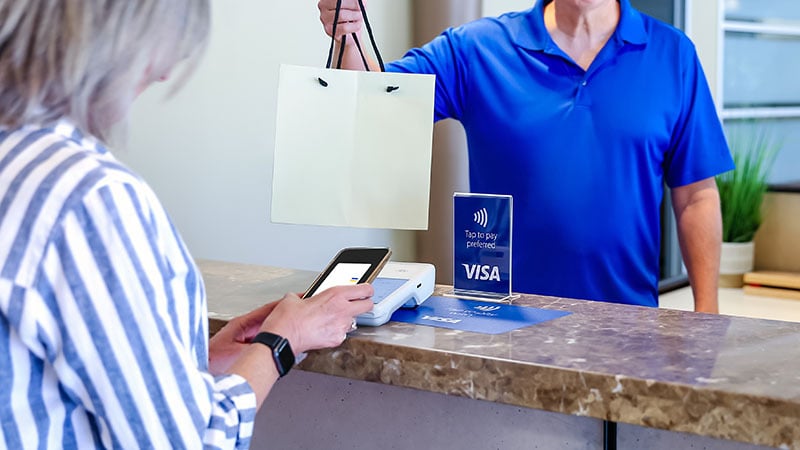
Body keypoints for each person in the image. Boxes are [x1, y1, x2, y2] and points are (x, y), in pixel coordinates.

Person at [0, 1, 374, 448]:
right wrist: (282, 341)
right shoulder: (90, 198)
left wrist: (197, 362)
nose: (161, 76)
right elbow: (190, 441)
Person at [317, 0, 734, 313]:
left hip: (626, 323)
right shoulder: (477, 49)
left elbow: (696, 195)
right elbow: (378, 105)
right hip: (499, 321)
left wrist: (707, 317)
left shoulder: (674, 55)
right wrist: (347, 33)